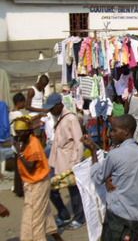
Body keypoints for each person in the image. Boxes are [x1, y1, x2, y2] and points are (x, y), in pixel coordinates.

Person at [82, 115, 138, 241]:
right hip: (137, 217)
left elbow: (97, 177)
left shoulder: (115, 155)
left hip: (118, 218)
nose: (110, 134)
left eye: (114, 130)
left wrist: (93, 152)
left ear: (126, 132)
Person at [12, 116, 63, 241]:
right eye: (16, 133)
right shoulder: (23, 142)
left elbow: (30, 167)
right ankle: (56, 237)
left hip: (38, 184)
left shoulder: (33, 144)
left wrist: (19, 152)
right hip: (30, 183)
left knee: (33, 219)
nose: (18, 135)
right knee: (43, 212)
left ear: (27, 131)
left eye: (20, 133)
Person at [45, 93, 85, 229]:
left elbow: (79, 143)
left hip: (70, 162)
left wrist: (75, 163)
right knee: (50, 188)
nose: (50, 111)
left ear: (59, 105)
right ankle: (63, 214)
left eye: (52, 108)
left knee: (73, 190)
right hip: (56, 161)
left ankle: (79, 218)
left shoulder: (71, 119)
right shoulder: (58, 118)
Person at [9, 93, 46, 196]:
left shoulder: (11, 113)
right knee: (24, 165)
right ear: (19, 102)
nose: (25, 104)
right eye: (23, 102)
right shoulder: (18, 115)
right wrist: (39, 120)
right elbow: (27, 123)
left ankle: (18, 189)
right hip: (19, 141)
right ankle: (23, 188)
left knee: (18, 166)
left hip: (15, 140)